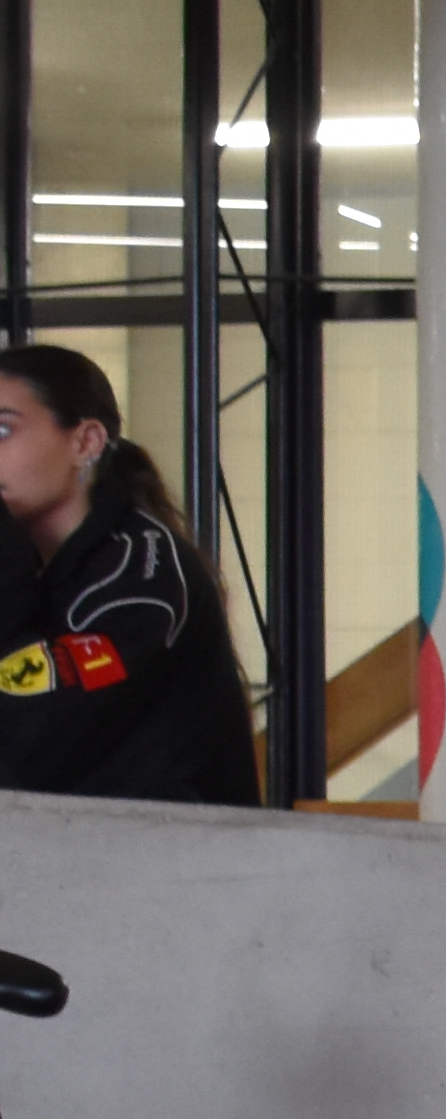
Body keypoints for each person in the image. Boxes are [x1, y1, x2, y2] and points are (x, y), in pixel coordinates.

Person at [0, 345, 257, 807]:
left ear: (86, 443)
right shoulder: (31, 562)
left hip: (172, 862)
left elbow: (33, 740)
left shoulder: (142, 577)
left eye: (2, 429)